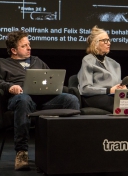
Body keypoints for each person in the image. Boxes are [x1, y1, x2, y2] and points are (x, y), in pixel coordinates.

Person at [0, 30, 79, 171]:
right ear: (14, 50)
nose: (29, 48)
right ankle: (21, 152)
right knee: (23, 99)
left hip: (43, 99)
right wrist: (10, 86)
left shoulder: (37, 61)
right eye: (24, 46)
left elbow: (50, 77)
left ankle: (69, 149)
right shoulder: (3, 64)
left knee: (70, 99)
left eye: (29, 44)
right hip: (19, 99)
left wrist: (54, 87)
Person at [77, 26, 127, 113]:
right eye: (105, 41)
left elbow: (117, 84)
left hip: (112, 96)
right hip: (93, 97)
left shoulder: (115, 64)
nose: (109, 43)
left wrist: (122, 87)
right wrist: (108, 90)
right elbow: (85, 89)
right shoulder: (88, 60)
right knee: (118, 104)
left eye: (109, 40)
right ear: (95, 43)